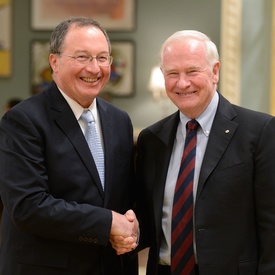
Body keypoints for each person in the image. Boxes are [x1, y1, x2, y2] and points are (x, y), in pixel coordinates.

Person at [0, 16, 138, 275]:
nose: (94, 69)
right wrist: (108, 223)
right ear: (55, 62)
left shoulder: (119, 121)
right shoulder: (23, 120)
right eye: (82, 57)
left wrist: (132, 227)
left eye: (102, 58)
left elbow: (125, 197)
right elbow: (28, 206)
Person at [136, 30, 275, 275]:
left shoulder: (259, 131)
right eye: (172, 74)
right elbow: (146, 219)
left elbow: (271, 226)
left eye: (192, 71)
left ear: (215, 71)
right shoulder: (151, 139)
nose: (182, 83)